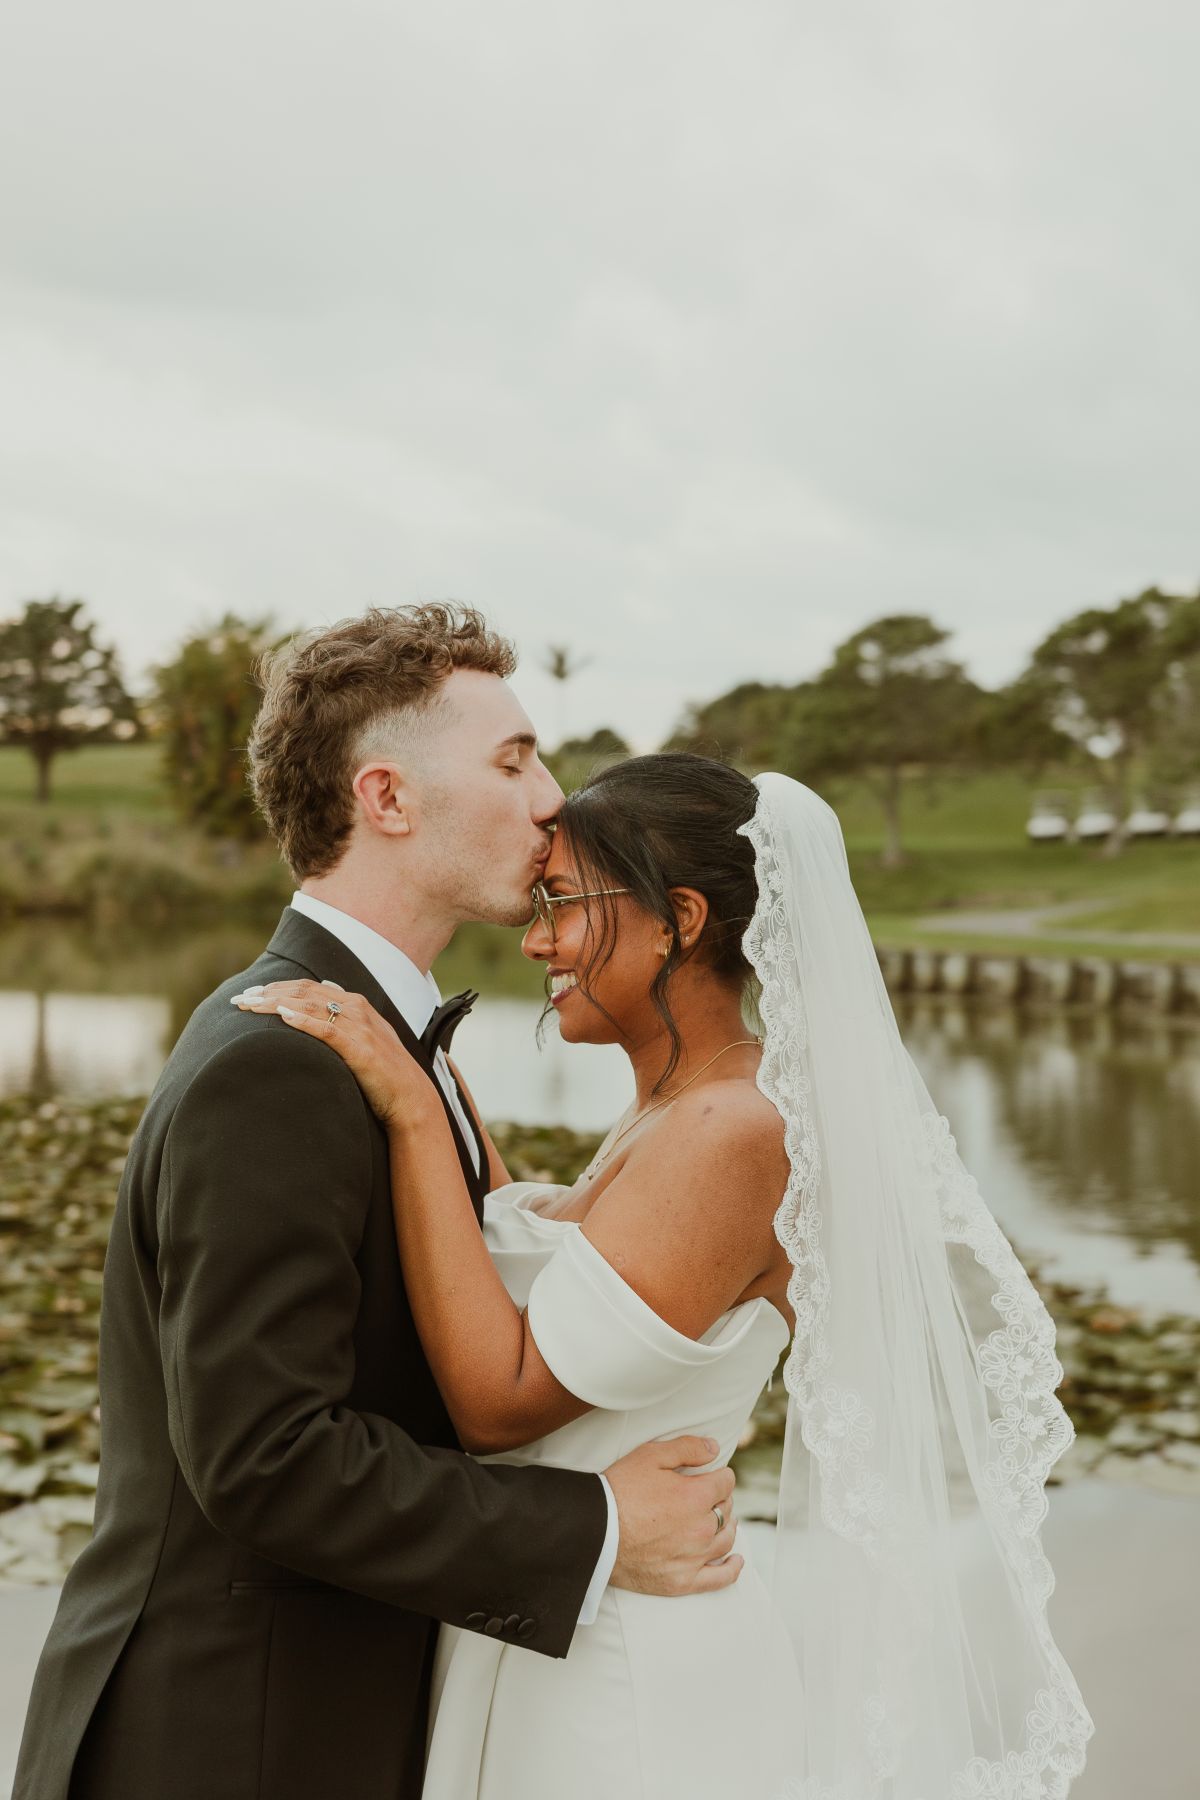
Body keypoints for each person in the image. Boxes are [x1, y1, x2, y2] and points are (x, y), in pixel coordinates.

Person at [238, 749, 1096, 1800]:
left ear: (678, 921)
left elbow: (501, 1401)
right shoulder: (671, 1113)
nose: (537, 939)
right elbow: (534, 1249)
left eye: (564, 904)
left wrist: (414, 1113)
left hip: (626, 1679)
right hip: (558, 1623)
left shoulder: (734, 1132)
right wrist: (438, 1089)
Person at [12, 607, 742, 1800]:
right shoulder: (281, 1058)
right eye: (513, 762)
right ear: (388, 798)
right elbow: (265, 1458)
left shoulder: (385, 1046)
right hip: (234, 1742)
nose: (552, 800)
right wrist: (597, 1526)